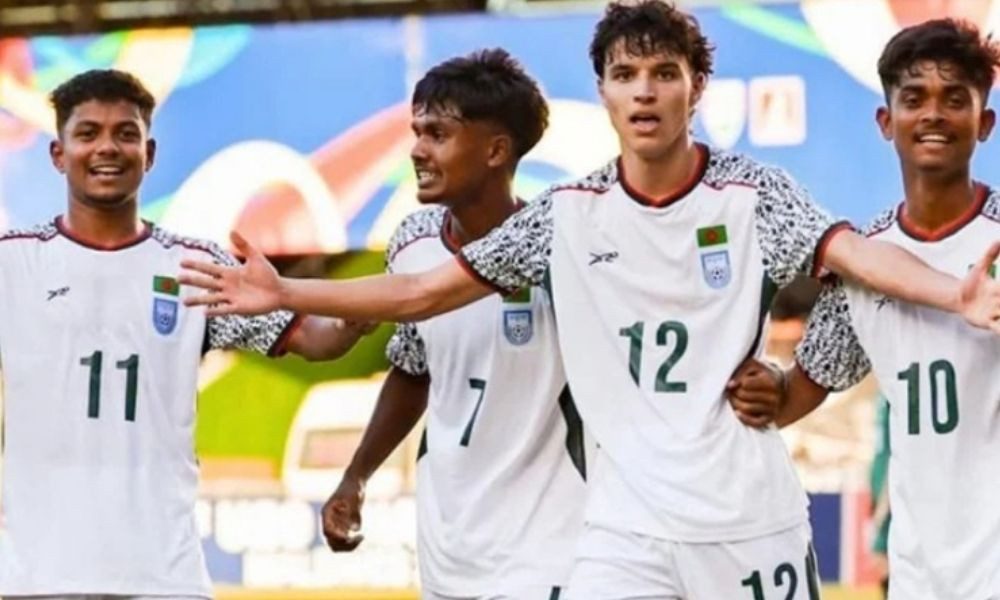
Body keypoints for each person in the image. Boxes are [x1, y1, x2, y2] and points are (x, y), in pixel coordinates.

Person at [180, 4, 1000, 598]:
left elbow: (856, 258)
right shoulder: (565, 216)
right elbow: (424, 292)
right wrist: (285, 288)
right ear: (603, 92)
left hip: (746, 521)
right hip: (622, 532)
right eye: (625, 75)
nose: (644, 92)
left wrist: (955, 293)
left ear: (696, 90)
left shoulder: (755, 193)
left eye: (665, 74)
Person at [0, 69, 369, 599]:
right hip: (38, 577)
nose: (107, 147)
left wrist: (360, 311)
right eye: (88, 133)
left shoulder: (196, 266)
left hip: (166, 578)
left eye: (125, 133)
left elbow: (319, 341)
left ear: (148, 153)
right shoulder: (13, 262)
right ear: (58, 154)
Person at [727, 19, 1000, 600]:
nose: (933, 114)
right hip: (920, 573)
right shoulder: (864, 265)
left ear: (984, 123)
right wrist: (762, 386)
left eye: (955, 99)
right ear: (885, 121)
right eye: (914, 99)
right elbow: (797, 393)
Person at [320, 49, 588, 600]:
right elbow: (414, 370)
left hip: (550, 539)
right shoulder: (411, 243)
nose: (417, 150)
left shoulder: (563, 245)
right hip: (449, 540)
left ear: (496, 150)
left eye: (438, 134)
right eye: (417, 132)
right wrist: (356, 476)